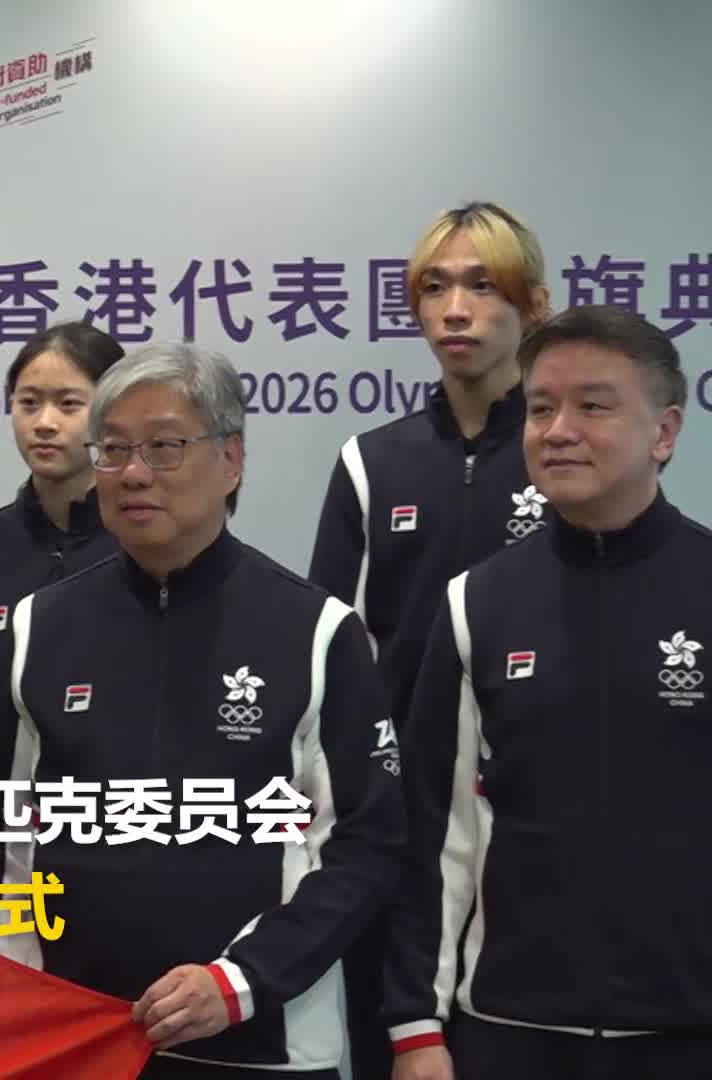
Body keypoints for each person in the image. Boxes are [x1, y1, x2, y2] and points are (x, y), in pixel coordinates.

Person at [0, 344, 404, 1079]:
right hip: (71, 1041)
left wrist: (242, 981)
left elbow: (365, 844)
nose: (134, 473)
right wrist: (14, 998)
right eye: (113, 450)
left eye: (165, 447)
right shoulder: (40, 626)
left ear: (231, 460)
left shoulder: (314, 630)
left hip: (262, 1044)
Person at [383, 306, 711, 1080]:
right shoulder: (477, 603)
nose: (558, 431)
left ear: (664, 432)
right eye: (540, 408)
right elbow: (436, 831)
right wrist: (416, 1027)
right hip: (510, 1029)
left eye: (592, 406)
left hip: (692, 1031)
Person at [305, 201, 551, 1080]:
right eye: (435, 288)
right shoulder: (374, 463)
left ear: (534, 306)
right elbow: (327, 657)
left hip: (531, 823)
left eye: (483, 286)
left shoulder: (565, 457)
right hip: (394, 825)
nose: (455, 310)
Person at [0, 321, 124, 745]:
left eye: (69, 404)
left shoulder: (146, 546)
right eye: (29, 403)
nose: (44, 423)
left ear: (113, 412)